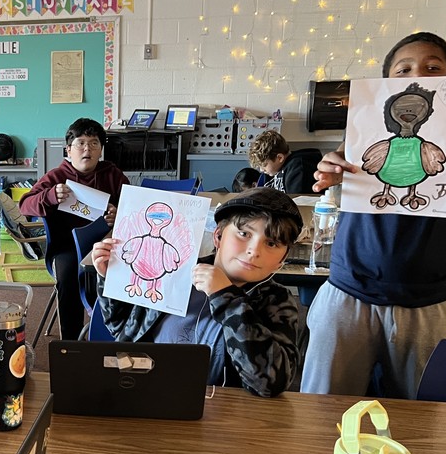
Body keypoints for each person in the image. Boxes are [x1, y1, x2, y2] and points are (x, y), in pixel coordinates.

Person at [301, 32, 446, 398]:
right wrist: (330, 167)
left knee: (426, 418)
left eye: (434, 67)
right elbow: (342, 155)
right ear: (386, 81)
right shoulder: (365, 120)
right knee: (324, 411)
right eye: (404, 68)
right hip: (349, 290)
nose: (419, 74)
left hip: (431, 301)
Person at [91, 187, 303, 397]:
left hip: (223, 412)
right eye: (244, 233)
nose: (254, 251)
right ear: (218, 236)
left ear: (281, 261)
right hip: (145, 393)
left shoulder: (276, 301)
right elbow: (119, 328)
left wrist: (226, 298)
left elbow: (271, 383)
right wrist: (110, 280)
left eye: (272, 243)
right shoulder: (176, 274)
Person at [18, 117, 129, 339]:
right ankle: (71, 343)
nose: (87, 148)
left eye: (94, 143)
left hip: (107, 243)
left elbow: (133, 207)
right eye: (80, 143)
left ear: (101, 150)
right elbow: (24, 206)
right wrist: (50, 196)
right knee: (68, 274)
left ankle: (117, 334)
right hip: (66, 247)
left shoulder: (112, 175)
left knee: (131, 268)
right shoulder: (56, 176)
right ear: (69, 149)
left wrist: (120, 213)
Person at [247, 130, 322, 194]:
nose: (261, 170)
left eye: (265, 165)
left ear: (280, 158)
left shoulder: (299, 168)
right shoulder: (273, 170)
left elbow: (296, 203)